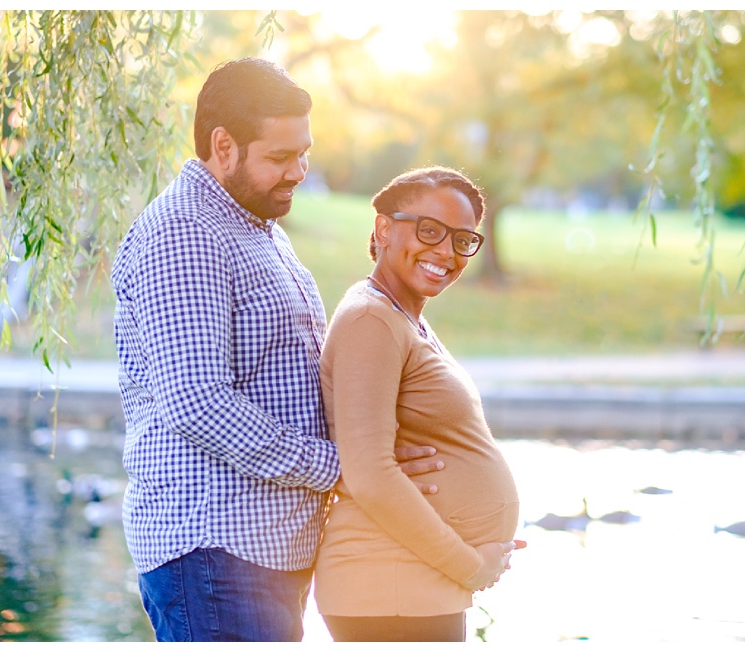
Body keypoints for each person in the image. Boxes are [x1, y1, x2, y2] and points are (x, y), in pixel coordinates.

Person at [110, 58, 447, 642]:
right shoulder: (185, 233)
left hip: (259, 552)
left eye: (304, 152)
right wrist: (348, 470)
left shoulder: (254, 225)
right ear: (223, 146)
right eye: (280, 157)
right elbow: (199, 403)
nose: (299, 171)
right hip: (214, 551)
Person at [313, 167, 524, 642]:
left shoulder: (400, 316)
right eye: (429, 231)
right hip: (387, 584)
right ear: (383, 228)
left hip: (413, 583)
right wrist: (470, 564)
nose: (446, 252)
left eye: (462, 240)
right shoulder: (372, 319)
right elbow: (369, 475)